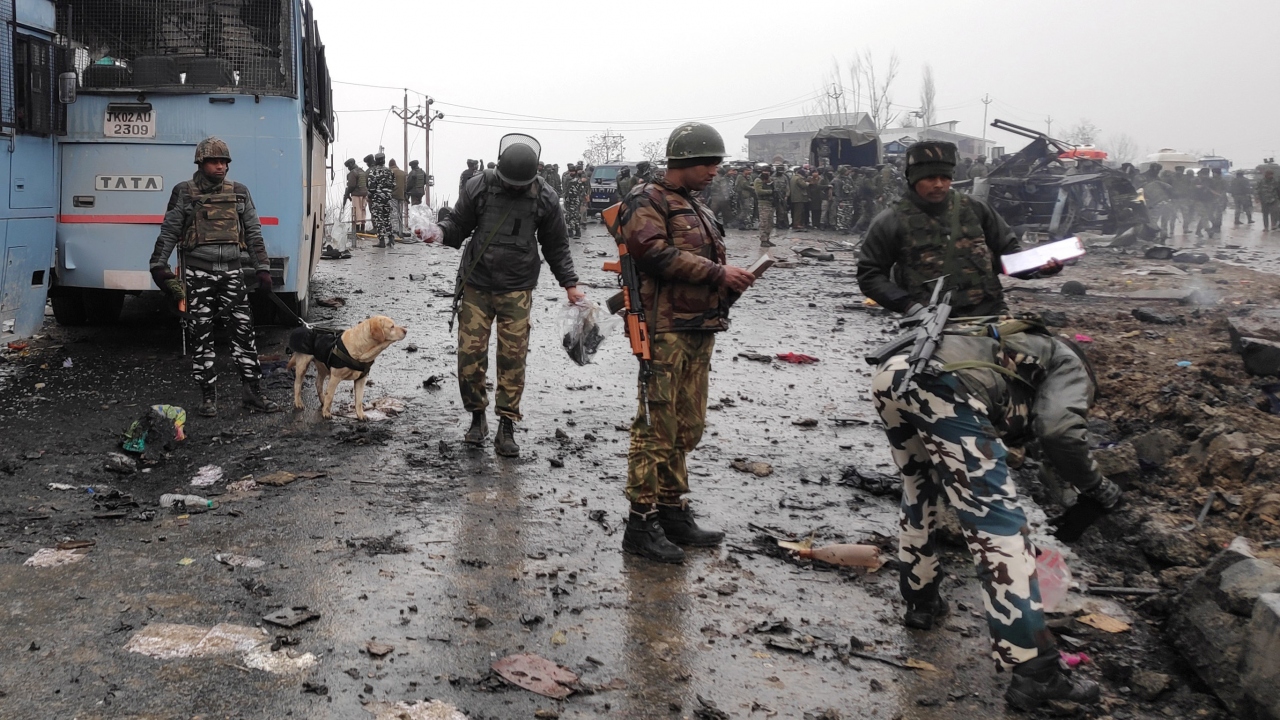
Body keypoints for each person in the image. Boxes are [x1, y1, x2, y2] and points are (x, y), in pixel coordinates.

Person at [869, 320, 1104, 711]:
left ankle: (922, 600)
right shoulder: (1070, 362)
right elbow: (1059, 430)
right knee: (998, 525)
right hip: (943, 387)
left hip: (893, 375)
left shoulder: (1009, 343)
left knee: (919, 488)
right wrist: (1098, 488)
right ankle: (1036, 671)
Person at [614, 121, 756, 564]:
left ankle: (673, 511)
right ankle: (641, 522)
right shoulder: (647, 200)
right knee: (656, 427)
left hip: (699, 325)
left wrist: (729, 282)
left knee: (687, 425)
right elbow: (652, 252)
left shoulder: (695, 205)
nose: (716, 170)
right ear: (685, 162)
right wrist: (718, 274)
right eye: (709, 162)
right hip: (665, 327)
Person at [423, 135, 583, 456]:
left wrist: (570, 284)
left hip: (517, 288)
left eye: (520, 185)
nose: (514, 189)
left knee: (512, 359)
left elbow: (556, 245)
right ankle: (477, 417)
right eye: (510, 183)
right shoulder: (480, 186)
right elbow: (458, 223)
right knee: (469, 357)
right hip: (477, 283)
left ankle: (506, 425)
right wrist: (439, 232)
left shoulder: (545, 197)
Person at [148, 136, 280, 417]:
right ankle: (208, 397)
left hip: (233, 272)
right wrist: (159, 265)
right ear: (201, 163)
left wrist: (263, 269)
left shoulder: (240, 192)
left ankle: (253, 393)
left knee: (244, 334)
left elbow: (254, 233)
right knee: (201, 335)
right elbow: (170, 230)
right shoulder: (184, 191)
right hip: (198, 273)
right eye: (214, 162)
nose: (220, 167)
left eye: (224, 162)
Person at [367, 152, 394, 247]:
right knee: (387, 218)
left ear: (376, 161)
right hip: (387, 198)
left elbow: (371, 187)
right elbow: (393, 184)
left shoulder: (373, 171)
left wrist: (370, 196)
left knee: (379, 219)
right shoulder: (390, 171)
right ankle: (391, 238)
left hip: (377, 199)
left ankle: (381, 241)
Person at [343, 158, 368, 232]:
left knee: (356, 212)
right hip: (364, 194)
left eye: (348, 166)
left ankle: (357, 231)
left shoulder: (353, 173)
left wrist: (347, 194)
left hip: (356, 194)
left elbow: (351, 186)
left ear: (351, 164)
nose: (348, 168)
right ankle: (362, 230)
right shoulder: (362, 171)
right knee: (363, 211)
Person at [562, 169, 588, 238]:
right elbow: (583, 192)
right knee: (575, 215)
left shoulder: (572, 182)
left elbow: (568, 192)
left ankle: (571, 231)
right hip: (576, 201)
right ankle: (577, 231)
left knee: (570, 216)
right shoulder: (579, 182)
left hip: (572, 201)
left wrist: (567, 199)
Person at [753, 167, 775, 247]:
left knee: (770, 222)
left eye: (768, 171)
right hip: (763, 203)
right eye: (765, 171)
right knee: (764, 222)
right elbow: (758, 191)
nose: (767, 173)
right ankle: (763, 240)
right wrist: (771, 192)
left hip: (771, 203)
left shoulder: (770, 180)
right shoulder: (758, 180)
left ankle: (767, 239)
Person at [389, 159, 408, 238]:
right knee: (400, 212)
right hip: (401, 195)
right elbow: (406, 185)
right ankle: (401, 230)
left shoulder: (390, 172)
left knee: (393, 213)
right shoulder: (403, 173)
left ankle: (395, 230)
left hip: (393, 195)